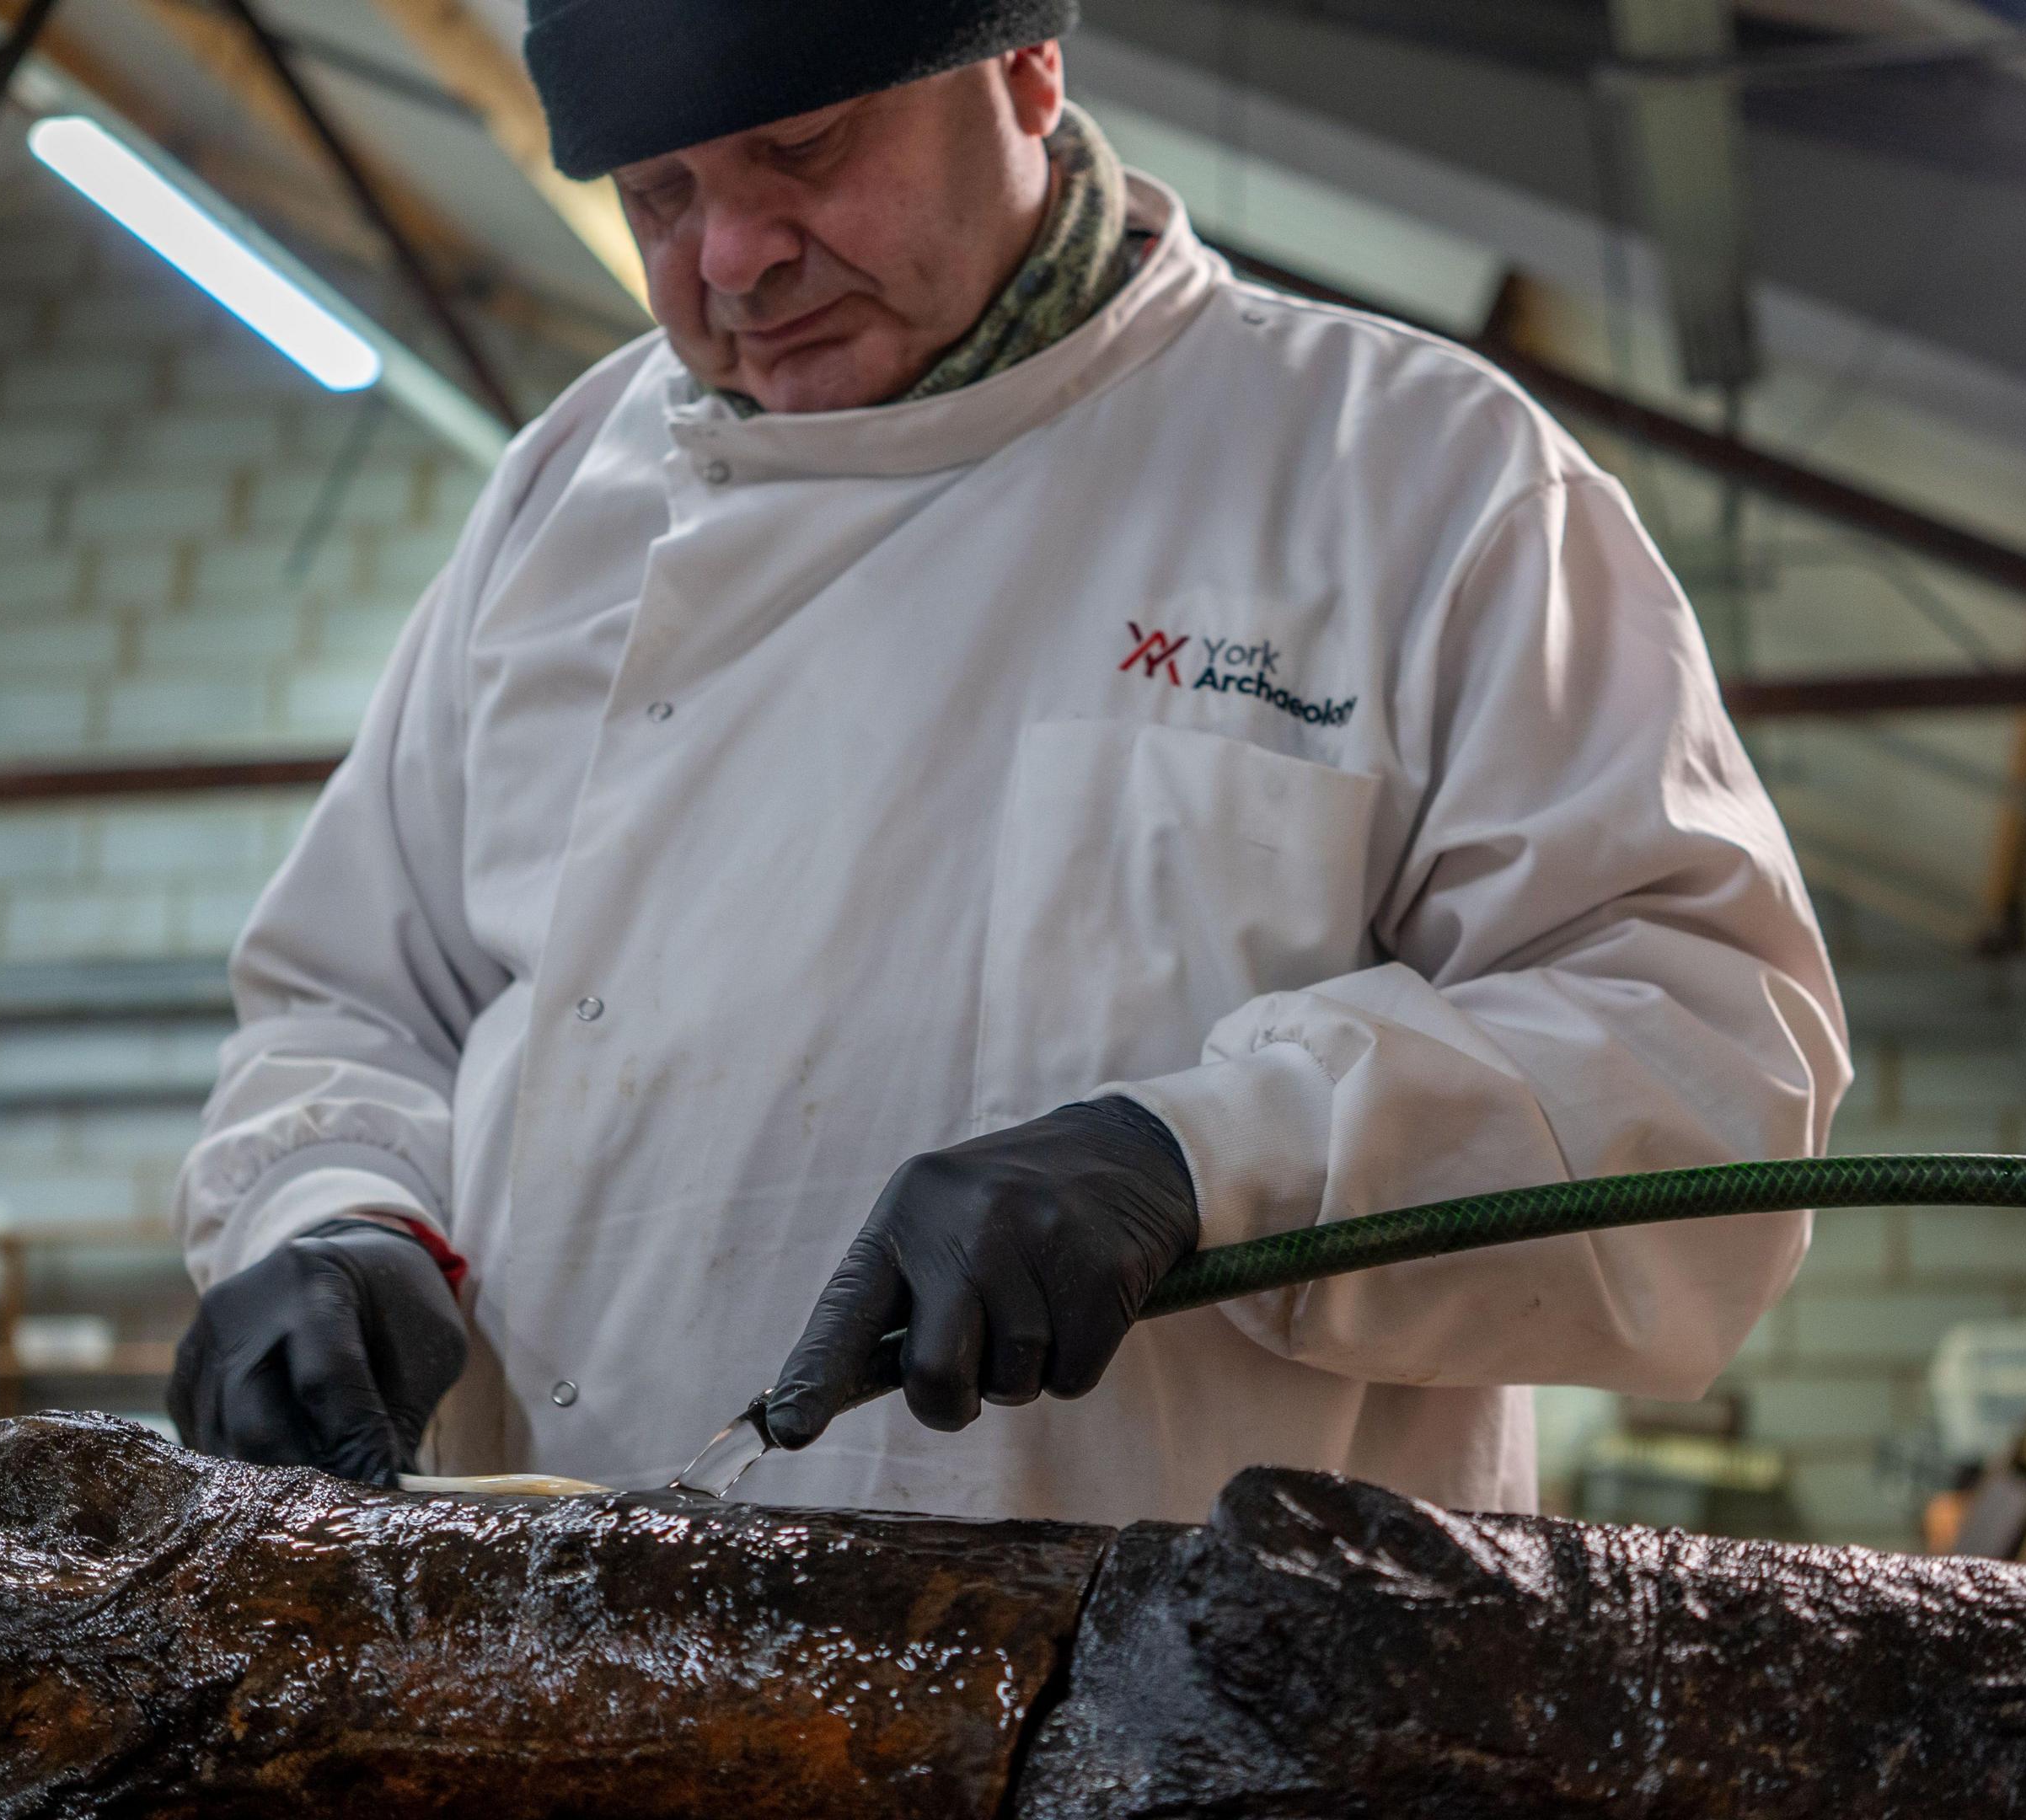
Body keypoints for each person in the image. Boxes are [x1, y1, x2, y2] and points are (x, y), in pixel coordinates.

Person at [165, 0, 1849, 1526]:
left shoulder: (1413, 482)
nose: (735, 255)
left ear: (1030, 70)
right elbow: (355, 1006)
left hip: (1198, 1727)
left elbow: (1708, 1071)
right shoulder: (560, 509)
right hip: (578, 1700)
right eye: (656, 196)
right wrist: (338, 1216)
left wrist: (1206, 1159)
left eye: (803, 149)